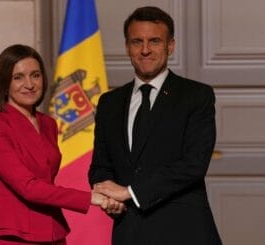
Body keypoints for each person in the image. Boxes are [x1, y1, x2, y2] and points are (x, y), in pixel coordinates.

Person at [89, 6, 222, 245]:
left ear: (170, 46)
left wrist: (129, 192)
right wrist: (108, 196)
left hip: (184, 231)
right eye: (137, 41)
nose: (145, 50)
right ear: (127, 47)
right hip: (129, 232)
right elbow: (101, 164)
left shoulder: (196, 96)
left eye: (155, 41)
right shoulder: (109, 102)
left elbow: (193, 165)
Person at [0, 44, 124, 245]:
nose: (29, 84)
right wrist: (91, 198)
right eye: (18, 77)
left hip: (53, 230)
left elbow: (46, 179)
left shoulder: (49, 123)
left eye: (35, 75)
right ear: (4, 83)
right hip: (13, 234)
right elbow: (28, 187)